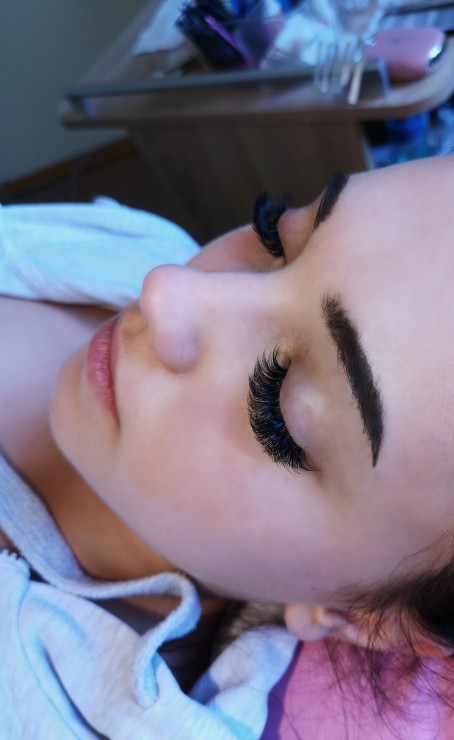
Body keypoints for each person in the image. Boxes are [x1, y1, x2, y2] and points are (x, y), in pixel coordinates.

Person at [1, 155, 454, 738]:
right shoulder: (141, 244)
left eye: (275, 406)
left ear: (366, 618)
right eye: (275, 237)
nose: (166, 290)